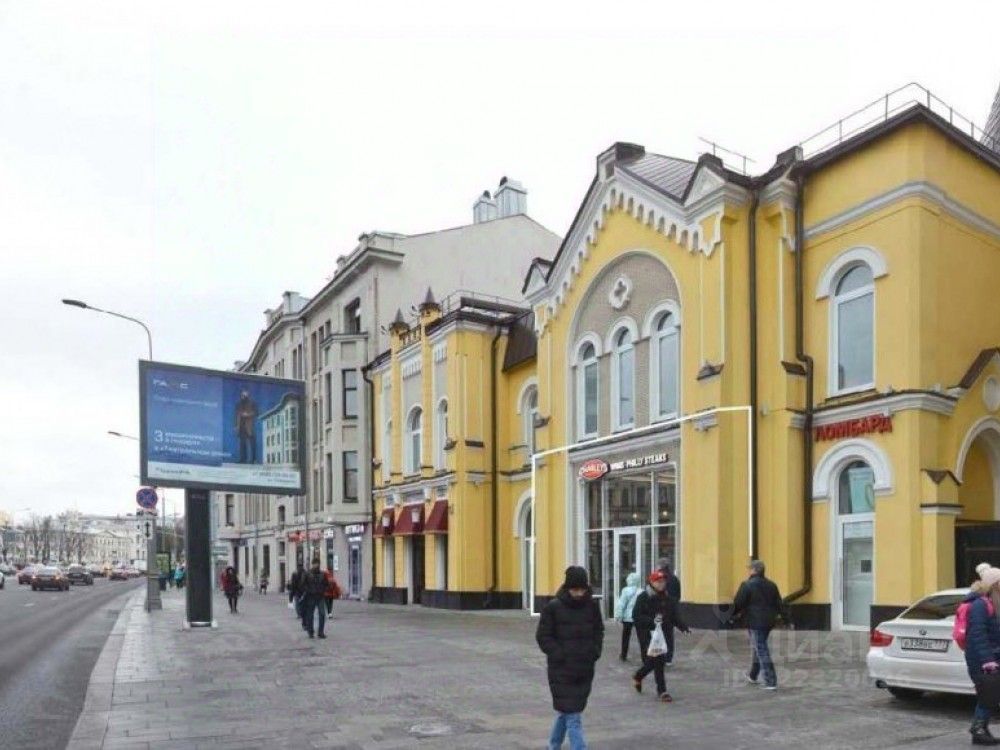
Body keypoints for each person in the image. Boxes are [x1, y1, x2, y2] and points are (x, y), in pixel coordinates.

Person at [535, 566, 604, 750]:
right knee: (573, 715)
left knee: (566, 711)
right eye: (575, 589)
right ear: (568, 587)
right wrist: (559, 654)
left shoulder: (591, 606)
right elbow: (543, 636)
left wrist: (595, 651)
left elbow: (598, 630)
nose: (579, 593)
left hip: (584, 668)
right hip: (562, 670)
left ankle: (553, 745)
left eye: (582, 589)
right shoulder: (553, 607)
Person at [631, 569, 690, 702]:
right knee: (656, 660)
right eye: (658, 582)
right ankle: (661, 690)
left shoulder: (667, 598)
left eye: (663, 581)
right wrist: (651, 621)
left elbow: (674, 616)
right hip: (647, 633)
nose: (661, 584)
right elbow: (636, 616)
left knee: (658, 661)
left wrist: (683, 628)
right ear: (651, 582)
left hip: (662, 634)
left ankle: (640, 677)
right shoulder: (644, 597)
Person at [730, 559, 788, 691]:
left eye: (750, 568)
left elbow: (738, 603)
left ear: (754, 570)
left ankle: (770, 680)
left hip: (755, 621)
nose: (748, 571)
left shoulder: (747, 585)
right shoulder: (772, 585)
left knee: (761, 648)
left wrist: (731, 616)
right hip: (769, 621)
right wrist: (786, 618)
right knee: (758, 646)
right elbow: (779, 603)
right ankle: (753, 675)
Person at [964, 565, 1000, 745]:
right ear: (994, 584)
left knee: (990, 693)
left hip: (992, 655)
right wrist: (988, 660)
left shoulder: (995, 602)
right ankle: (978, 729)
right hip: (981, 659)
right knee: (988, 693)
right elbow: (978, 634)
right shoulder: (980, 604)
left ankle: (980, 729)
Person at [657, 558, 682, 665]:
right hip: (671, 610)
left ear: (660, 566)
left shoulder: (658, 578)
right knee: (669, 634)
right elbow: (678, 594)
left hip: (659, 608)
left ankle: (659, 656)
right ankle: (668, 657)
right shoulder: (674, 579)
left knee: (657, 633)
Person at [614, 572, 642, 661]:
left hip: (627, 617)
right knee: (642, 637)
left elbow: (621, 604)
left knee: (625, 637)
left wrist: (618, 615)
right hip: (638, 617)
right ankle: (645, 655)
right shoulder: (641, 591)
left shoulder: (625, 590)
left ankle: (623, 654)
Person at [300, 559, 328, 639]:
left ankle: (320, 632)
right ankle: (310, 631)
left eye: (317, 564)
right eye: (315, 564)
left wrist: (323, 590)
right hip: (310, 596)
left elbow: (326, 584)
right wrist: (308, 590)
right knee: (310, 614)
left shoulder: (322, 574)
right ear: (312, 564)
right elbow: (302, 584)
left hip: (320, 596)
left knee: (322, 614)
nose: (316, 565)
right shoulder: (307, 574)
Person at [235, 389, 258, 464]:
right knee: (242, 443)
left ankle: (253, 459)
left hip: (249, 426)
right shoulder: (238, 404)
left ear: (248, 395)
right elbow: (236, 415)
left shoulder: (252, 403)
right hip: (241, 426)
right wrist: (236, 425)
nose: (243, 396)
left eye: (245, 395)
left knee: (252, 443)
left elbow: (256, 412)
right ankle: (243, 459)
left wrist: (247, 414)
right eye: (242, 395)